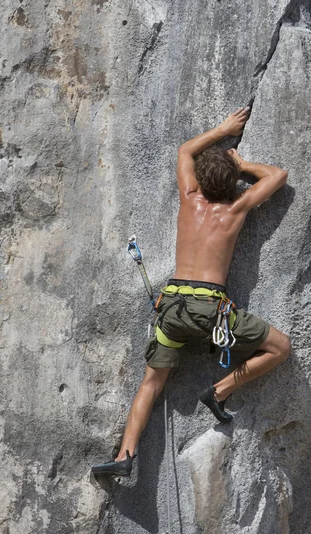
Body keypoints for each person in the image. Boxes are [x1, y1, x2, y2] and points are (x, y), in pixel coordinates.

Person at [91, 107, 291, 477]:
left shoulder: (189, 199)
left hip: (173, 309)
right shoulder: (235, 209)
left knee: (151, 383)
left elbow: (184, 151)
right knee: (281, 347)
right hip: (212, 312)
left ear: (199, 181)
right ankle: (219, 391)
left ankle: (124, 457)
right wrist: (243, 164)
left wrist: (222, 129)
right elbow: (278, 176)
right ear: (232, 186)